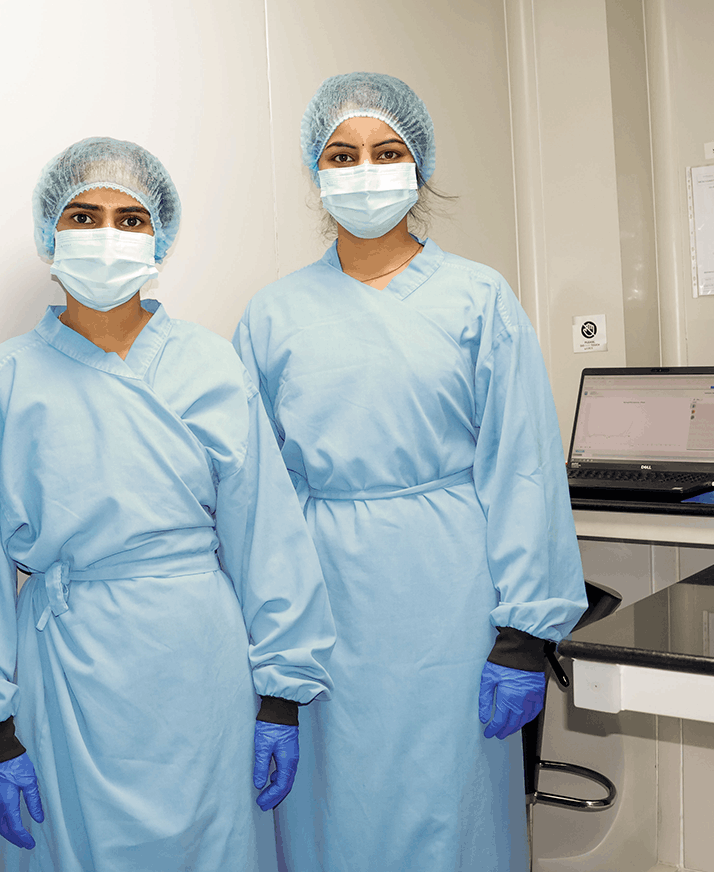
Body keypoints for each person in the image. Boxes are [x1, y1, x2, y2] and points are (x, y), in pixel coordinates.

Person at [233, 72, 587, 871]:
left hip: (449, 600)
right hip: (323, 608)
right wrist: (272, 669)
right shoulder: (273, 316)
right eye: (342, 154)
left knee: (449, 806)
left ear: (419, 165)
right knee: (337, 813)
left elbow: (523, 469)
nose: (364, 170)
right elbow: (256, 501)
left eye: (386, 151)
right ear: (316, 173)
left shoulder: (478, 300)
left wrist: (523, 634)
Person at [0, 137, 336, 872]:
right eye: (84, 216)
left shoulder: (211, 364)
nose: (106, 235)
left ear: (159, 236)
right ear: (50, 234)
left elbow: (267, 536)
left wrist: (281, 693)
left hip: (201, 667)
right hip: (70, 671)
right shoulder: (2, 381)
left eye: (130, 218)